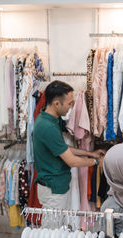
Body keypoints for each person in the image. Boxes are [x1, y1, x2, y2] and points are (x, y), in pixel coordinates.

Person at [33, 80, 105, 209]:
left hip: (57, 186)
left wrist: (90, 153)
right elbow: (72, 161)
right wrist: (96, 161)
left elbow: (63, 148)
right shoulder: (47, 127)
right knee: (52, 229)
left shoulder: (51, 118)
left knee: (58, 227)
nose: (71, 107)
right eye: (70, 103)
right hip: (53, 190)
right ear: (56, 103)